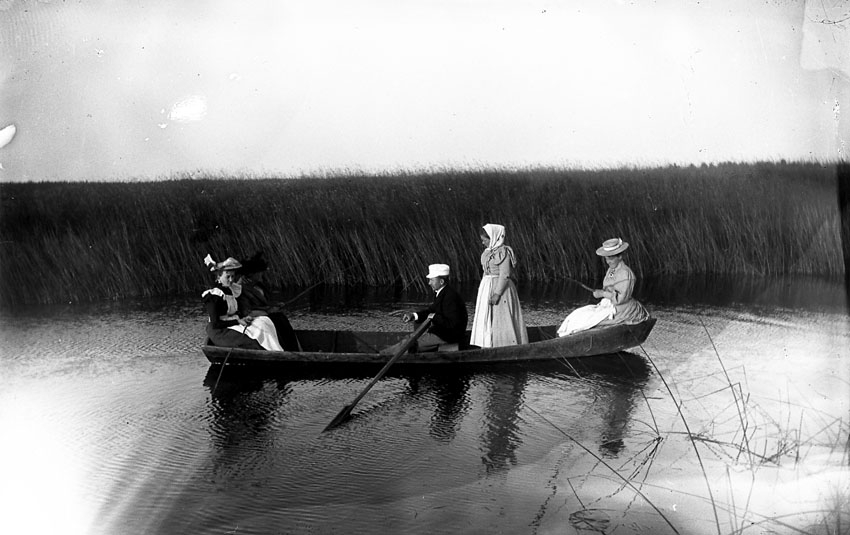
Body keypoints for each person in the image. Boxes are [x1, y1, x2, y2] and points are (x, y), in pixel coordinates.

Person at [557, 238, 649, 337]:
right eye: (606, 258)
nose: (608, 261)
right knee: (577, 314)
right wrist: (601, 292)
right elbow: (609, 288)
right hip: (608, 305)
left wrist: (602, 294)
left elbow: (620, 299)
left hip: (621, 309)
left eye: (611, 258)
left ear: (620, 257)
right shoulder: (612, 270)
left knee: (586, 322)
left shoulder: (625, 273)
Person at [202, 254, 284, 351]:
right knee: (253, 341)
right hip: (220, 331)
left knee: (264, 322)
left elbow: (237, 312)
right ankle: (271, 352)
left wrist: (244, 318)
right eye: (228, 277)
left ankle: (278, 351)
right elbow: (215, 324)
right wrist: (237, 321)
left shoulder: (233, 290)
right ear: (219, 276)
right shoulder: (213, 296)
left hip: (233, 325)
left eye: (233, 276)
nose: (231, 280)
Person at [382, 264, 468, 354]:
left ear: (441, 281)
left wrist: (434, 317)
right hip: (441, 334)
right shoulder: (442, 292)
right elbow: (431, 311)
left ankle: (382, 356)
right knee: (409, 340)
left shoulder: (450, 297)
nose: (429, 283)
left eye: (432, 280)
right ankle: (384, 354)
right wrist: (414, 316)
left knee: (410, 343)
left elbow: (452, 324)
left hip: (447, 336)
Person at [469, 224, 528, 348]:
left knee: (501, 316)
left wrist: (497, 293)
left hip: (500, 288)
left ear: (493, 238)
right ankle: (487, 343)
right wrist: (483, 289)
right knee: (487, 315)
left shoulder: (503, 252)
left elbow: (505, 274)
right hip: (488, 286)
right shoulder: (488, 252)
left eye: (485, 240)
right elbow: (486, 271)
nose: (483, 243)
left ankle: (504, 344)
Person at [235, 251, 301, 351]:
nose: (262, 275)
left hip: (265, 314)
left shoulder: (259, 285)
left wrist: (275, 305)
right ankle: (287, 349)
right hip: (253, 318)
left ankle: (293, 348)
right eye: (260, 273)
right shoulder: (240, 289)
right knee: (278, 319)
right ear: (252, 274)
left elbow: (264, 303)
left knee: (280, 317)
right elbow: (246, 312)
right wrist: (269, 311)